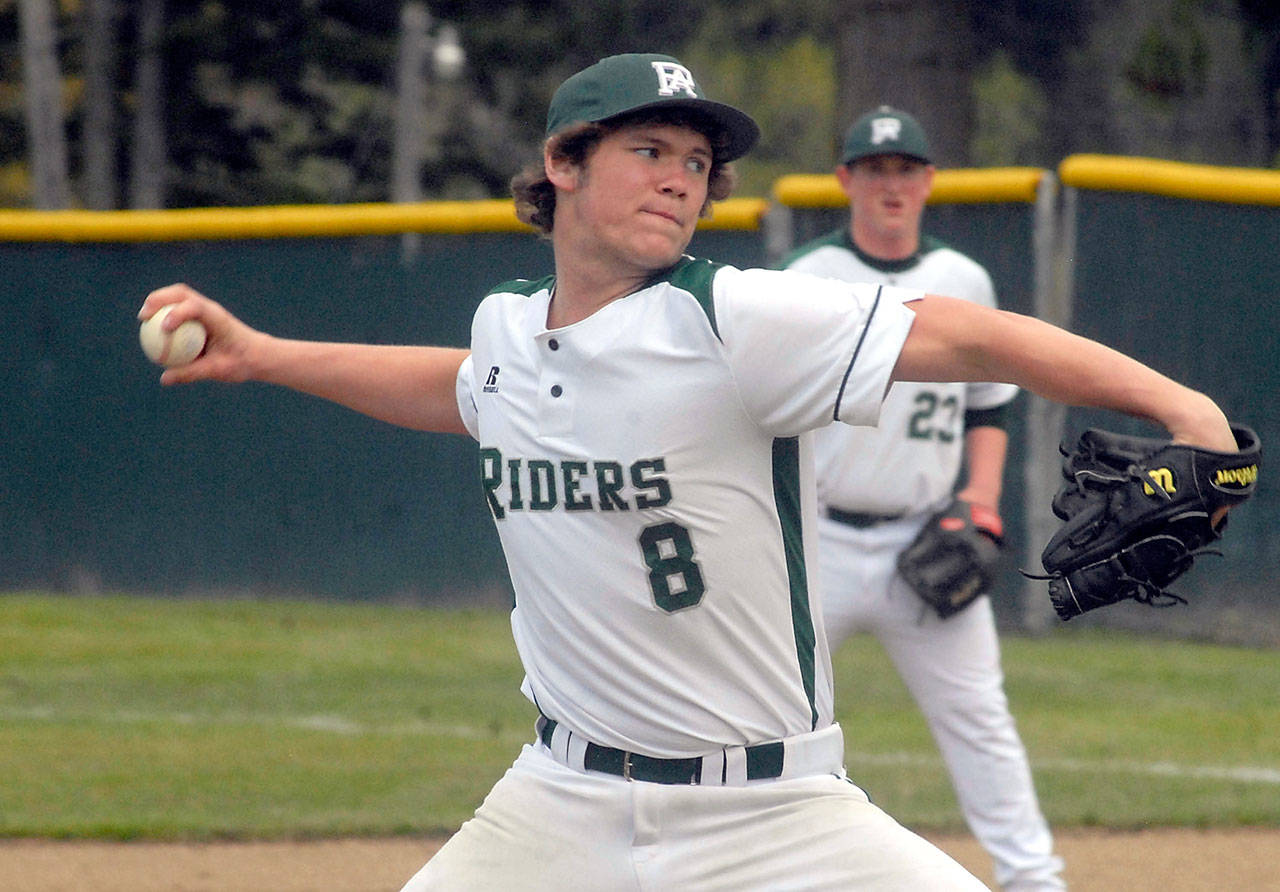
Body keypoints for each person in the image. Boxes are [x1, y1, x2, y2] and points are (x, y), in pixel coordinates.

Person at [139, 54, 1238, 891]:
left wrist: (1184, 409)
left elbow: (960, 335)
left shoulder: (728, 315)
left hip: (775, 812)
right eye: (648, 151)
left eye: (696, 163)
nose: (680, 180)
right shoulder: (511, 340)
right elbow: (454, 388)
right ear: (561, 164)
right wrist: (263, 354)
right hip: (558, 800)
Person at [784, 106, 1065, 892]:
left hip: (925, 540)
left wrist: (980, 499)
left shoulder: (962, 279)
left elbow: (988, 407)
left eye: (905, 168)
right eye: (875, 169)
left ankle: (1034, 879)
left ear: (929, 181)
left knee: (980, 718)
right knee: (762, 713)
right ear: (845, 180)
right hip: (816, 542)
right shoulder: (804, 279)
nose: (891, 184)